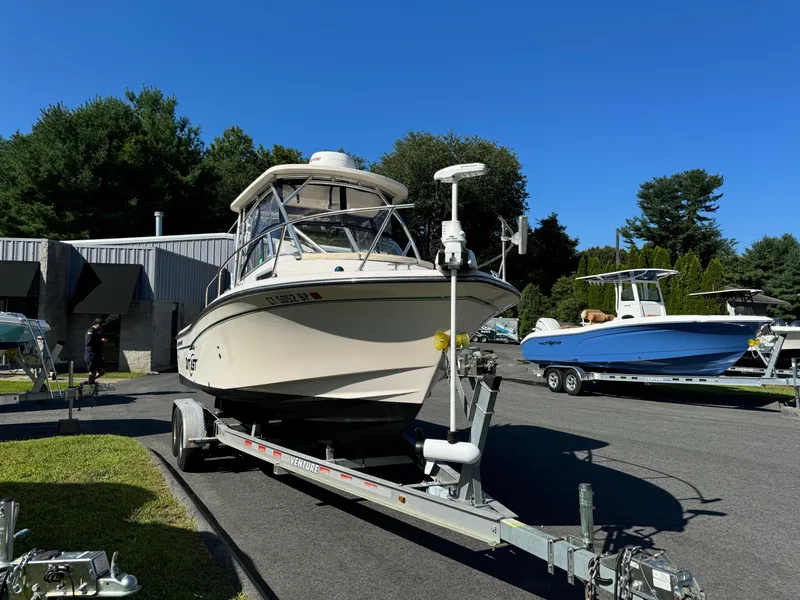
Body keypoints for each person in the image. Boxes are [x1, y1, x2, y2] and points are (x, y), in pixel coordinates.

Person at [84, 318, 108, 385]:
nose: (101, 326)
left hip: (98, 354)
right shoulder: (90, 331)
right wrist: (100, 341)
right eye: (101, 325)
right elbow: (88, 342)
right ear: (97, 324)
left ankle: (90, 382)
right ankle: (90, 384)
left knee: (102, 371)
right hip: (92, 355)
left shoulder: (98, 331)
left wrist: (102, 340)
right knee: (93, 372)